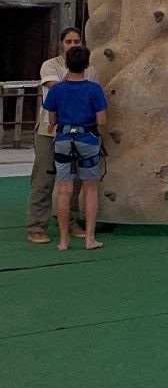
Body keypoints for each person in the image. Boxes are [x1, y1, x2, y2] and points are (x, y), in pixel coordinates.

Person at [26, 26, 92, 245]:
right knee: (43, 179)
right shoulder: (50, 65)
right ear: (61, 44)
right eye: (69, 42)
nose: (73, 45)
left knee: (74, 179)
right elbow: (60, 88)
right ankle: (36, 226)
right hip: (49, 130)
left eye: (77, 42)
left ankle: (69, 221)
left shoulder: (89, 68)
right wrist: (76, 73)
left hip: (78, 131)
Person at [41, 44, 108, 252]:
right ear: (87, 65)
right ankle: (89, 238)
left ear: (67, 64)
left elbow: (52, 119)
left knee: (64, 190)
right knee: (89, 188)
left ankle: (63, 240)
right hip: (87, 139)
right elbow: (102, 121)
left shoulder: (58, 89)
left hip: (63, 140)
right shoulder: (94, 90)